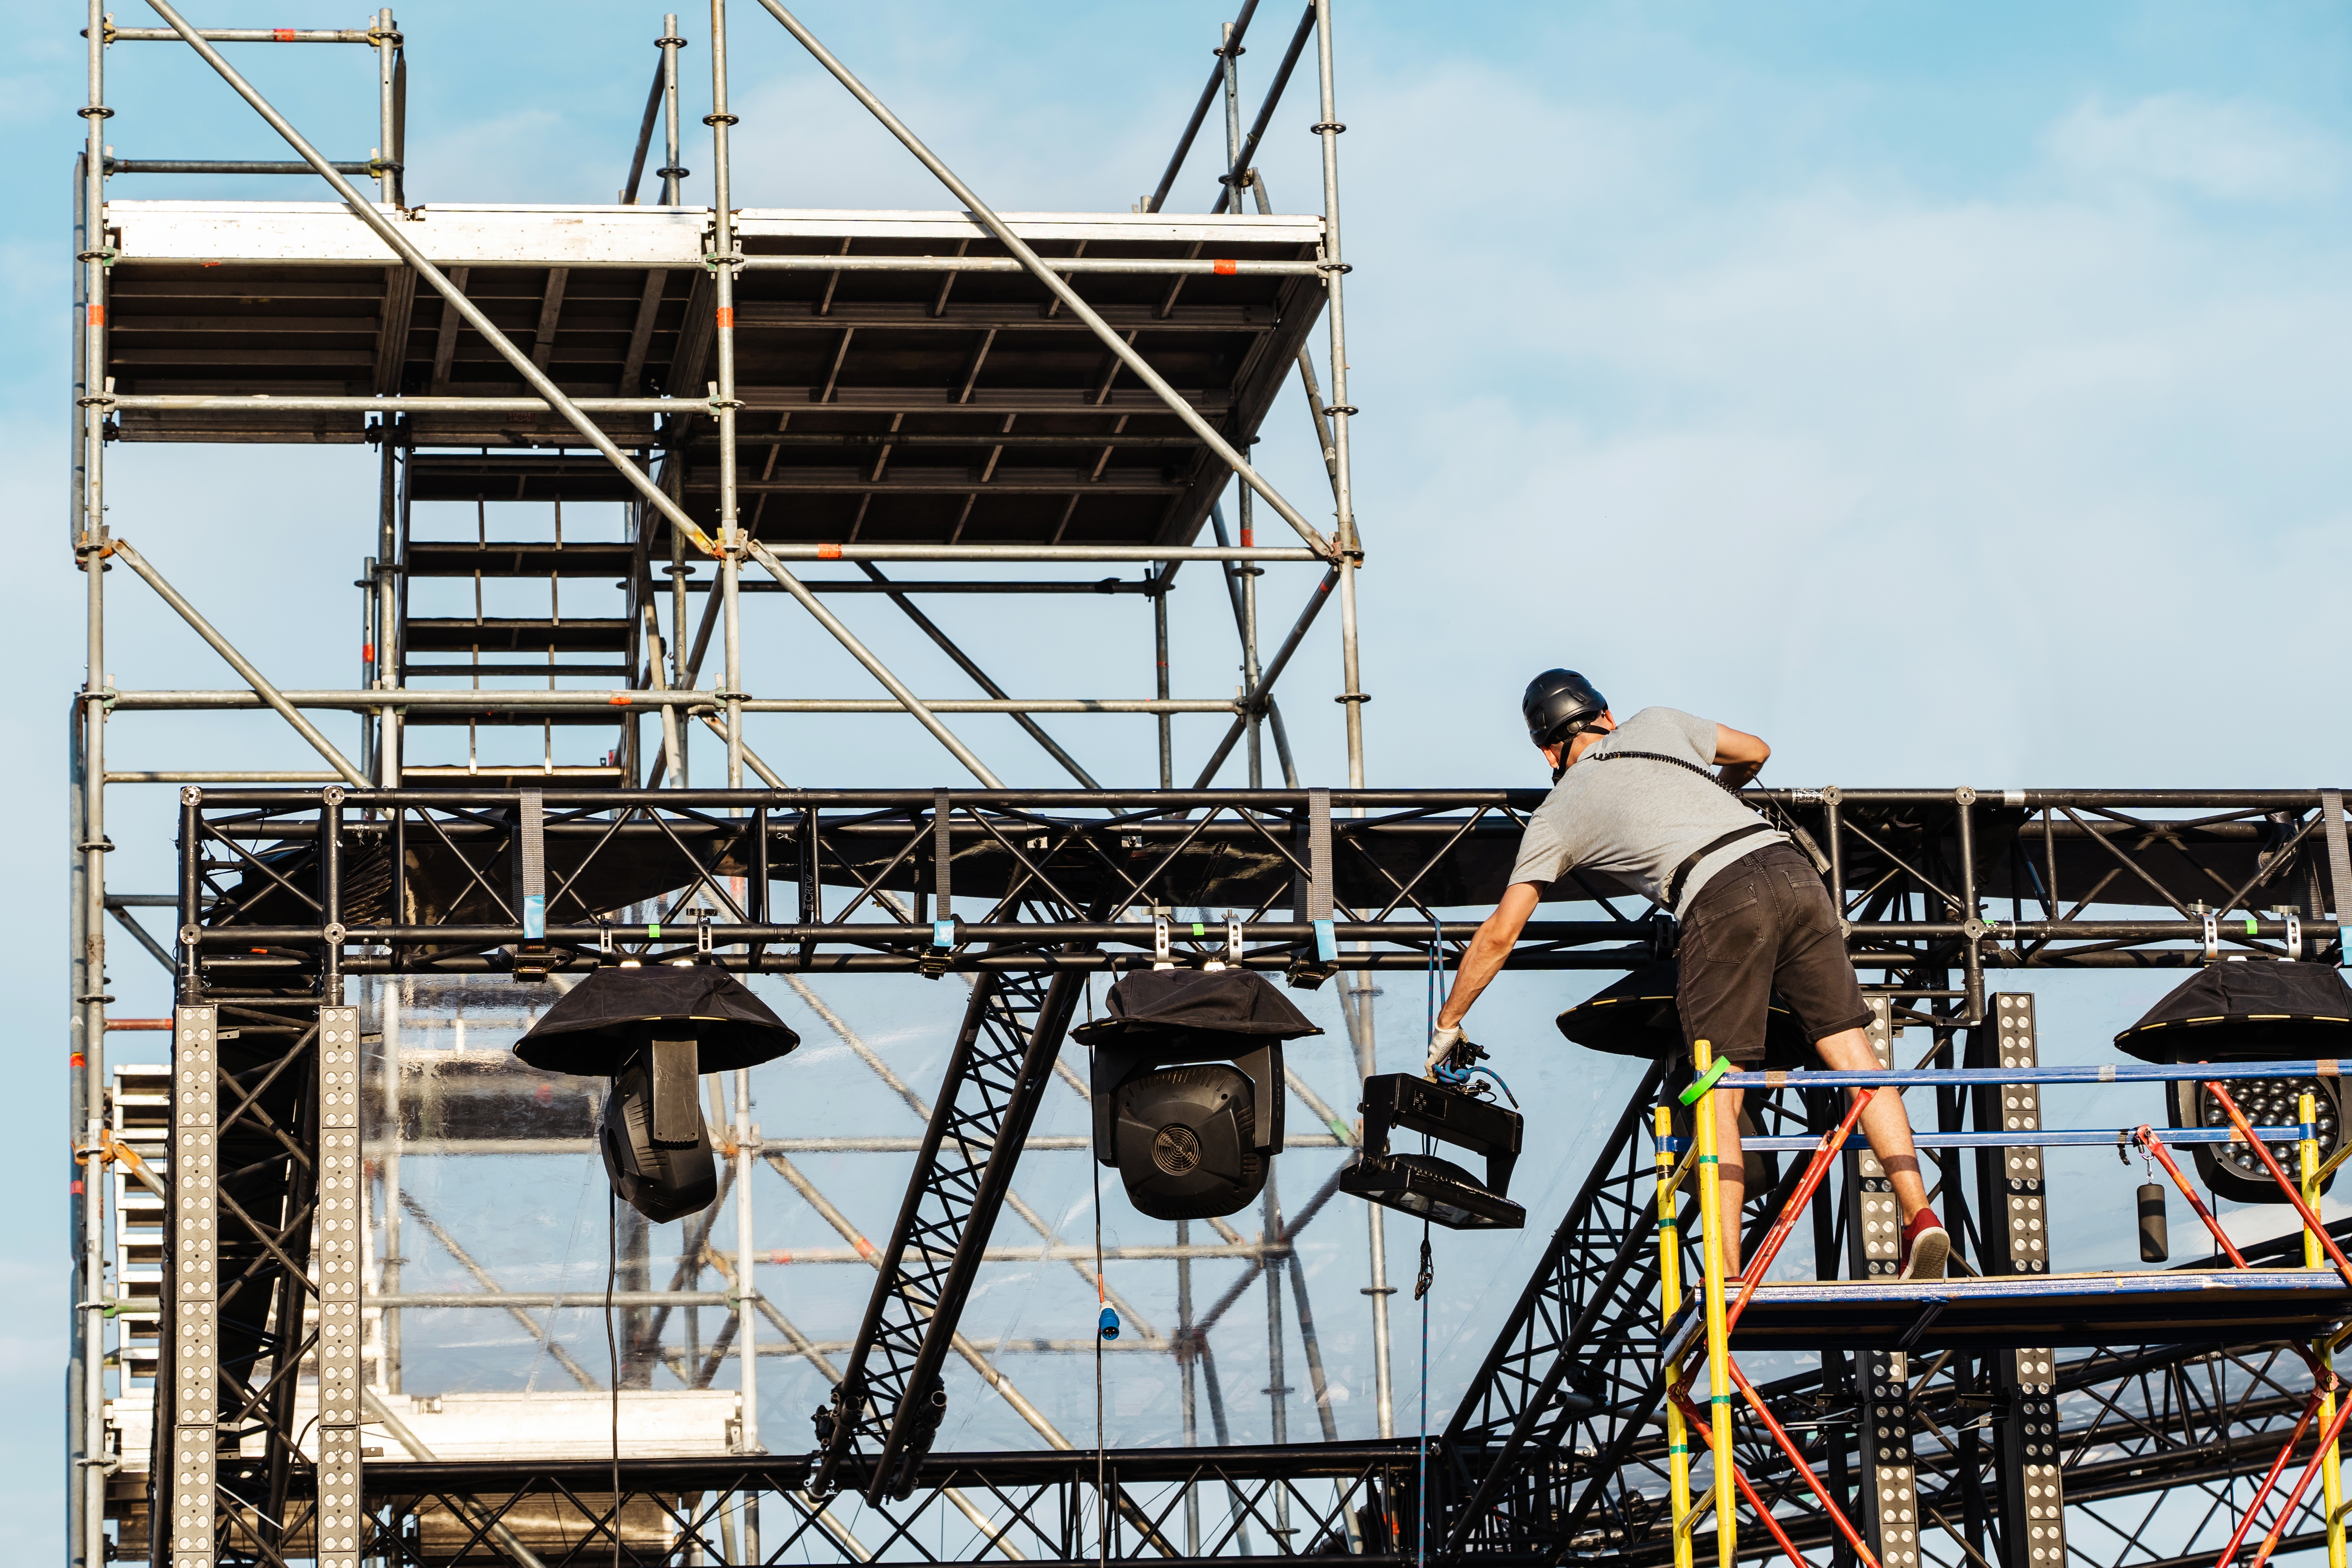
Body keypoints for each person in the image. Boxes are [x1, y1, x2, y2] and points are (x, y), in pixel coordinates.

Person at [1427, 669, 1948, 1282]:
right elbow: (1756, 751)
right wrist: (1722, 794)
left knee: (1718, 1091)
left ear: (1547, 750)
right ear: (1606, 714)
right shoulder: (1656, 723)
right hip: (1792, 870)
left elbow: (1499, 933)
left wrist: (1449, 1021)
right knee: (1856, 1056)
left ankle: (1727, 1273)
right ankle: (1920, 1214)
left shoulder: (1558, 812)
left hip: (1719, 897)